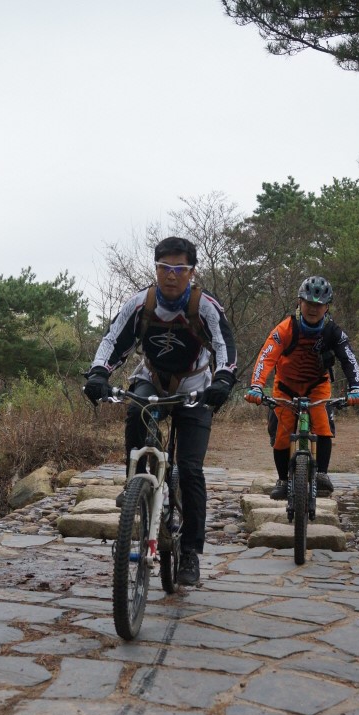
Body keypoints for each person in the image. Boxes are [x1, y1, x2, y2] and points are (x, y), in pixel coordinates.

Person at [83, 237, 237, 585]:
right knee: (135, 409)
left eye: (179, 269)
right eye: (164, 267)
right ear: (156, 269)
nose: (171, 275)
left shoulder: (205, 306)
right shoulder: (141, 303)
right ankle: (135, 482)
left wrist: (224, 379)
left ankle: (191, 553)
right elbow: (113, 339)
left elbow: (224, 345)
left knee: (191, 469)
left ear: (191, 272)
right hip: (151, 379)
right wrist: (98, 374)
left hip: (196, 386)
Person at [244, 276, 359, 499]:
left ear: (327, 307)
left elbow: (349, 358)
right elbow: (266, 356)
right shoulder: (285, 328)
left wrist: (356, 387)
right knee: (282, 434)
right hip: (285, 386)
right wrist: (257, 386)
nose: (313, 309)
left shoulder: (332, 331)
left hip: (317, 386)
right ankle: (282, 480)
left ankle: (322, 474)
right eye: (309, 303)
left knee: (323, 426)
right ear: (299, 302)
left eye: (319, 305)